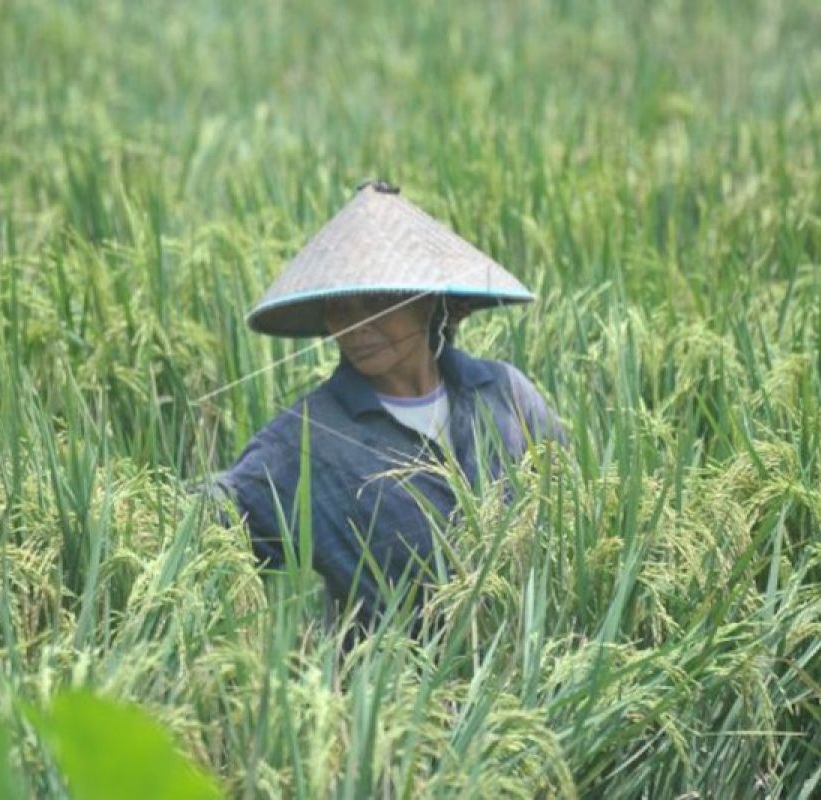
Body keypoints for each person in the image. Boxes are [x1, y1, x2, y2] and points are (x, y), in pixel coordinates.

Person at [215, 181, 566, 638]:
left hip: (531, 674)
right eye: (340, 309)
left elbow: (571, 506)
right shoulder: (307, 439)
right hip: (396, 695)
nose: (358, 326)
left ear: (429, 301)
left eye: (378, 301)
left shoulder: (503, 393)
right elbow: (218, 516)